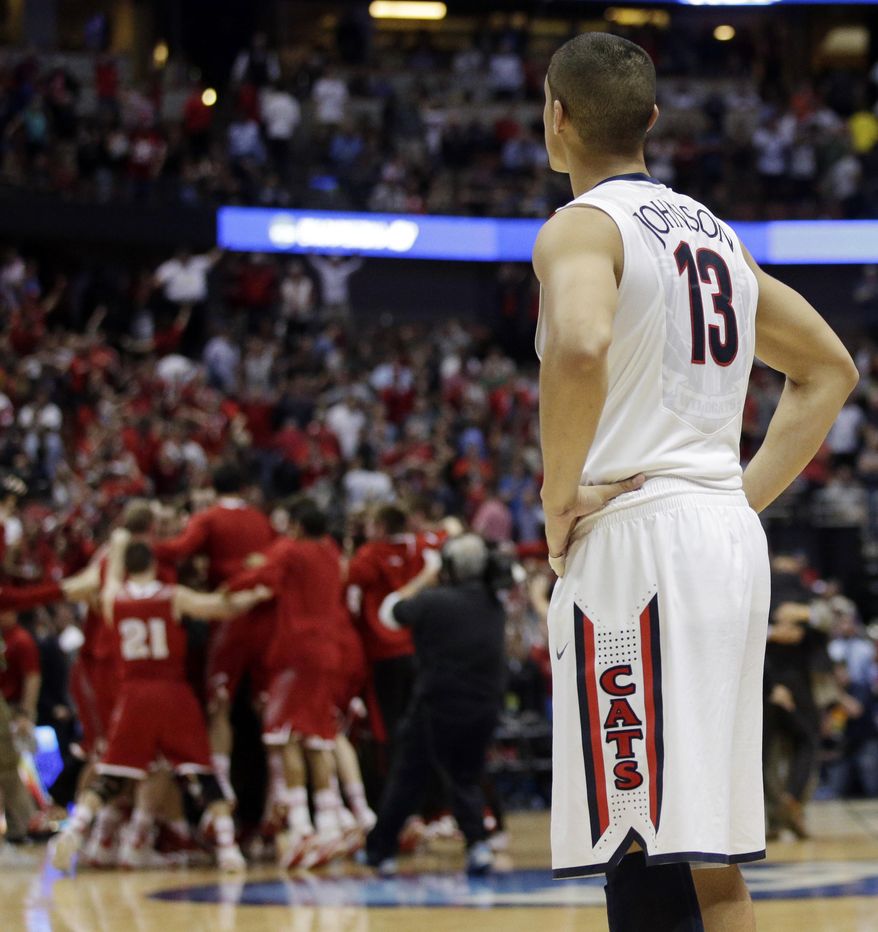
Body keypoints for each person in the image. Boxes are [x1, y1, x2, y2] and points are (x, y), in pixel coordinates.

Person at [535, 33, 858, 931]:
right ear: (651, 122)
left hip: (638, 542)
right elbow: (831, 369)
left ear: (555, 120)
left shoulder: (580, 226)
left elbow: (580, 343)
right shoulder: (715, 234)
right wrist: (738, 498)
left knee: (636, 840)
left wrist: (559, 500)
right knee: (703, 851)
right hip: (720, 538)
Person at [50, 538, 272, 874]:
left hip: (133, 695)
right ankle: (228, 850)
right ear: (154, 565)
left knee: (113, 772)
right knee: (200, 769)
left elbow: (108, 583)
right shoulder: (173, 596)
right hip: (171, 691)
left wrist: (118, 547)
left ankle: (75, 827)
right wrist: (254, 595)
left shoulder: (114, 599)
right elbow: (219, 607)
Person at [363, 534, 506, 876]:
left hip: (435, 705)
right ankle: (477, 845)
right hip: (484, 707)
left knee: (407, 777)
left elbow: (389, 615)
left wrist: (424, 576)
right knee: (466, 776)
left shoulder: (432, 601)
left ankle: (380, 851)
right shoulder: (492, 603)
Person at [152, 462, 275, 802]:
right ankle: (277, 792)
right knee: (265, 708)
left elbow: (177, 550)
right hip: (263, 618)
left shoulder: (208, 519)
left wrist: (139, 547)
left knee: (218, 705)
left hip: (227, 619)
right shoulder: (261, 520)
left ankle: (220, 787)